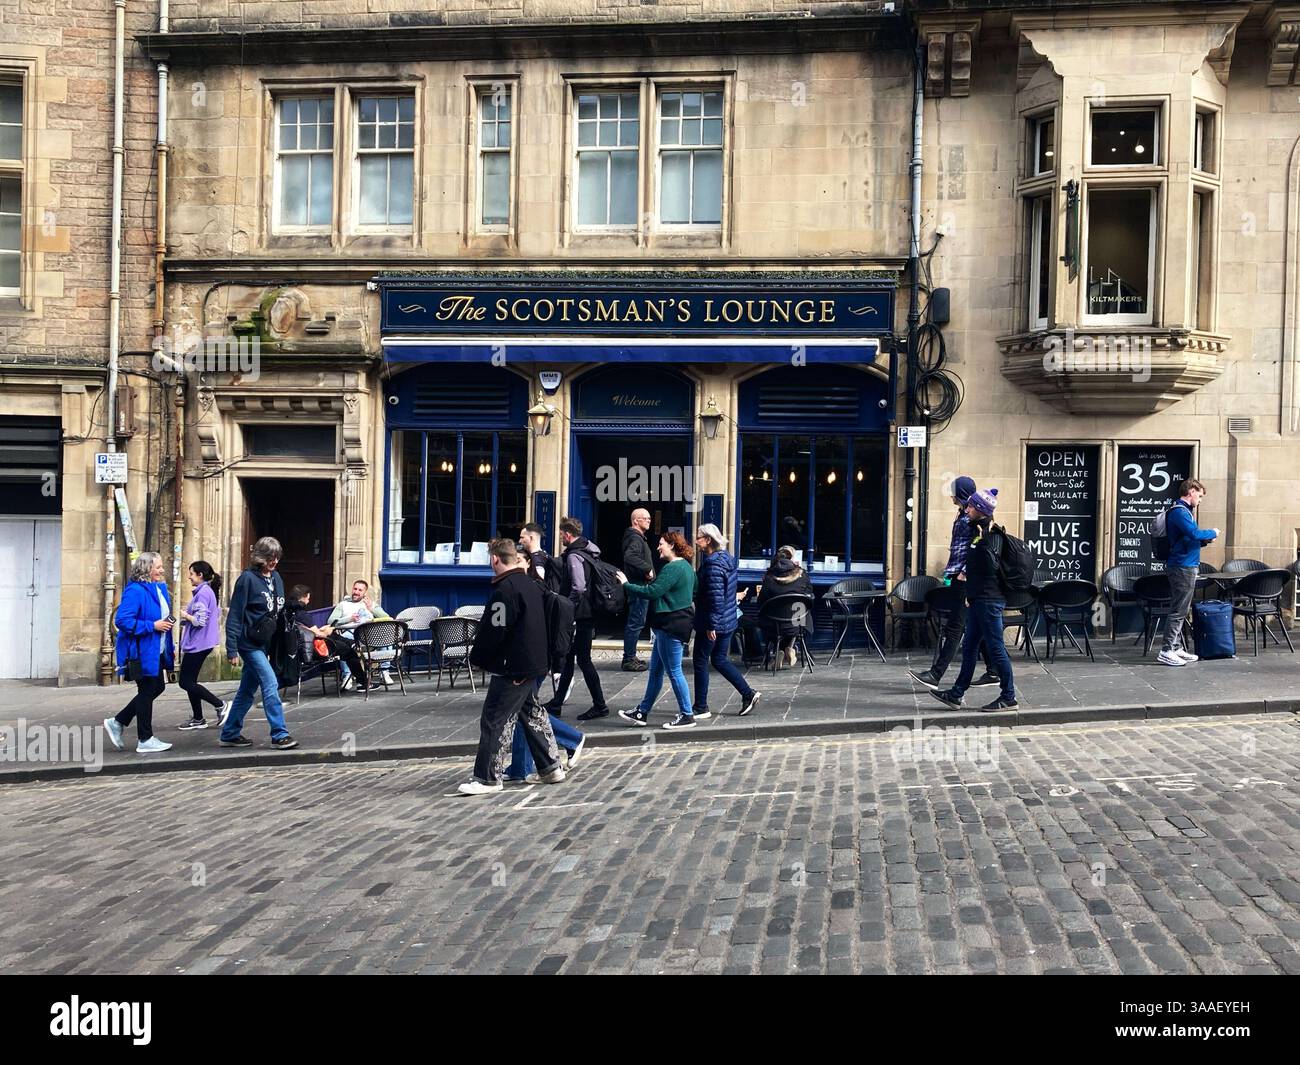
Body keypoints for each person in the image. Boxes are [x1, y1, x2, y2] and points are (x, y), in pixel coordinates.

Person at [458, 538, 565, 796]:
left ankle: (487, 778)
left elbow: (494, 631)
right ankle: (551, 767)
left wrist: (478, 659)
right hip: (534, 663)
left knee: (495, 718)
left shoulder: (505, 590)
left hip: (513, 666)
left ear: (495, 559)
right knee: (532, 713)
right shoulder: (532, 584)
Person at [498, 545, 585, 783]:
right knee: (525, 710)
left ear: (527, 563)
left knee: (528, 710)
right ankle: (520, 767)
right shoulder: (521, 586)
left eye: (518, 560)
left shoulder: (532, 588)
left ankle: (572, 739)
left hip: (531, 661)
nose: (513, 564)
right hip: (527, 660)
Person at [909, 476, 1000, 691]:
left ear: (962, 493)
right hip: (960, 576)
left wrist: (964, 573)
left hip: (966, 580)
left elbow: (982, 546)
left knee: (954, 627)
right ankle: (994, 671)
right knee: (979, 626)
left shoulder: (977, 517)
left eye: (954, 491)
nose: (950, 495)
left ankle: (935, 674)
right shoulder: (965, 513)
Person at [930, 489, 1018, 712]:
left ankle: (1008, 696)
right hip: (978, 599)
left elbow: (989, 569)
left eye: (970, 506)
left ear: (980, 509)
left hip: (989, 601)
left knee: (996, 647)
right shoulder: (978, 533)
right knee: (969, 647)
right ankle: (956, 694)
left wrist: (979, 547)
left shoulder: (990, 536)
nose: (966, 509)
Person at [220, 536, 300, 749]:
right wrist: (231, 648)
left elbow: (278, 609)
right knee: (270, 682)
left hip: (267, 642)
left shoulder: (276, 578)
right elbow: (236, 614)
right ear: (260, 557)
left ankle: (230, 732)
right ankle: (279, 733)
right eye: (270, 557)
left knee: (246, 690)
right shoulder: (246, 579)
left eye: (276, 557)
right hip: (249, 643)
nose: (274, 561)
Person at [616, 531, 699, 730]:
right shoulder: (687, 567)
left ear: (671, 545)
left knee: (674, 671)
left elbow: (653, 592)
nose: (658, 547)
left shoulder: (673, 568)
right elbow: (694, 590)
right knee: (655, 672)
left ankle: (687, 715)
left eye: (661, 543)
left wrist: (627, 585)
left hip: (670, 624)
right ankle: (642, 712)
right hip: (671, 624)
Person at [104, 551, 176, 754]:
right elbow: (123, 621)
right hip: (142, 652)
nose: (162, 570)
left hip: (157, 649)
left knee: (157, 687)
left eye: (161, 567)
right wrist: (152, 625)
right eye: (158, 567)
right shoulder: (135, 590)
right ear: (147, 569)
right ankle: (145, 739)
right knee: (146, 691)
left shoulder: (158, 588)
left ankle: (118, 721)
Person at [544, 516, 609, 721]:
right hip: (586, 613)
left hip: (579, 615)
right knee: (570, 660)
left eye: (562, 534)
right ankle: (556, 703)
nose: (561, 537)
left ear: (568, 534)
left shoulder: (574, 556)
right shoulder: (589, 551)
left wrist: (568, 607)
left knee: (583, 659)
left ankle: (600, 705)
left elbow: (579, 587)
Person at [693, 523, 760, 718]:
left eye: (699, 537)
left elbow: (715, 597)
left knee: (700, 660)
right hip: (728, 618)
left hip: (714, 621)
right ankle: (748, 693)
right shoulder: (726, 559)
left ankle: (701, 707)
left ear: (708, 540)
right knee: (720, 659)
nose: (696, 541)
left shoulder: (713, 564)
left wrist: (711, 624)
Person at [1158, 478, 1219, 668]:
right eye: (1199, 496)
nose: (1200, 500)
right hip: (1182, 566)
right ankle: (1166, 650)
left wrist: (1203, 539)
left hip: (1186, 564)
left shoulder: (1184, 512)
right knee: (1178, 610)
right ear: (1191, 491)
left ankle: (1175, 647)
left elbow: (1189, 537)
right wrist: (1213, 532)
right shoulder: (1179, 512)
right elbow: (1194, 533)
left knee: (1181, 609)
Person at [287, 584, 369, 693]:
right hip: (314, 649)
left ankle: (352, 644)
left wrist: (323, 630)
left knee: (335, 636)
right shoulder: (302, 614)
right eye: (308, 598)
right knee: (350, 652)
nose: (308, 601)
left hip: (300, 647)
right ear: (303, 597)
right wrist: (327, 630)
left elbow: (309, 631)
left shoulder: (288, 612)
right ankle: (364, 682)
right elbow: (319, 635)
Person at [176, 561, 228, 729]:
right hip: (201, 643)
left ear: (200, 575)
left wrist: (185, 615)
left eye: (191, 573)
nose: (189, 577)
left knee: (185, 682)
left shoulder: (203, 593)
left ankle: (220, 704)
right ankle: (198, 718)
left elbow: (200, 620)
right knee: (191, 681)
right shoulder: (206, 591)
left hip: (198, 644)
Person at [327, 579, 393, 690]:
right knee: (343, 645)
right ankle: (347, 676)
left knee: (385, 636)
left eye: (360, 590)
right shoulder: (343, 604)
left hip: (369, 636)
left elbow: (386, 617)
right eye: (355, 589)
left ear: (364, 592)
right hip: (351, 635)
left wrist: (371, 608)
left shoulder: (369, 603)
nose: (356, 592)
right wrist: (349, 619)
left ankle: (384, 672)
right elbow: (330, 621)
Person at [753, 545, 814, 666]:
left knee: (772, 616)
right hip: (797, 625)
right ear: (792, 559)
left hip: (773, 625)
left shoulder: (769, 577)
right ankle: (790, 648)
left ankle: (780, 650)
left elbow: (761, 602)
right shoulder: (802, 575)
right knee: (801, 611)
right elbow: (809, 595)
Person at [621, 508, 655, 671]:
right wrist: (647, 569)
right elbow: (630, 556)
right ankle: (628, 659)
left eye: (649, 518)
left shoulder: (638, 538)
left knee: (637, 621)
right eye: (645, 518)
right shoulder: (635, 538)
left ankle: (631, 656)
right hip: (638, 587)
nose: (649, 520)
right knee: (635, 622)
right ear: (635, 521)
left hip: (639, 585)